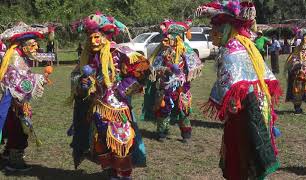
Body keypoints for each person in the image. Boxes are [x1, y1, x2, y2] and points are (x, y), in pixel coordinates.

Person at [196, 0, 282, 179]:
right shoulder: (244, 43)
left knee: (244, 151)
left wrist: (231, 102)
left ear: (225, 28)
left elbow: (233, 85)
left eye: (215, 29)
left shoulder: (231, 49)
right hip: (258, 102)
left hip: (244, 108)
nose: (213, 34)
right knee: (256, 146)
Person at [69, 12, 149, 179]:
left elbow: (143, 71)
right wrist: (82, 83)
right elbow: (76, 76)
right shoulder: (87, 57)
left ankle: (124, 174)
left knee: (121, 142)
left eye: (96, 37)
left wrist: (122, 89)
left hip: (118, 108)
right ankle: (111, 173)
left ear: (106, 35)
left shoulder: (121, 52)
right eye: (90, 38)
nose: (93, 41)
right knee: (101, 143)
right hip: (97, 107)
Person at [141, 19, 203, 142]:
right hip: (164, 85)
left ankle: (186, 134)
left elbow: (194, 66)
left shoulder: (186, 50)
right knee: (163, 108)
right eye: (167, 38)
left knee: (182, 109)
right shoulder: (161, 50)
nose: (168, 41)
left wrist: (182, 76)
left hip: (181, 85)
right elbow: (154, 66)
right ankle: (162, 133)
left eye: (171, 38)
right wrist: (163, 70)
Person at [0, 22, 50, 171]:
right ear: (23, 45)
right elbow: (21, 82)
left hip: (13, 101)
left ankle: (9, 153)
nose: (36, 48)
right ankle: (14, 163)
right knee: (18, 129)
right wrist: (40, 79)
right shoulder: (15, 58)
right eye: (33, 45)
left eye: (36, 45)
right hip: (14, 101)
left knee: (13, 127)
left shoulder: (18, 55)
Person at [285, 34, 306, 115]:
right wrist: (297, 64)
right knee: (298, 91)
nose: (305, 41)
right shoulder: (297, 50)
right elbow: (292, 60)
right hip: (299, 74)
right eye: (304, 39)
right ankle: (297, 108)